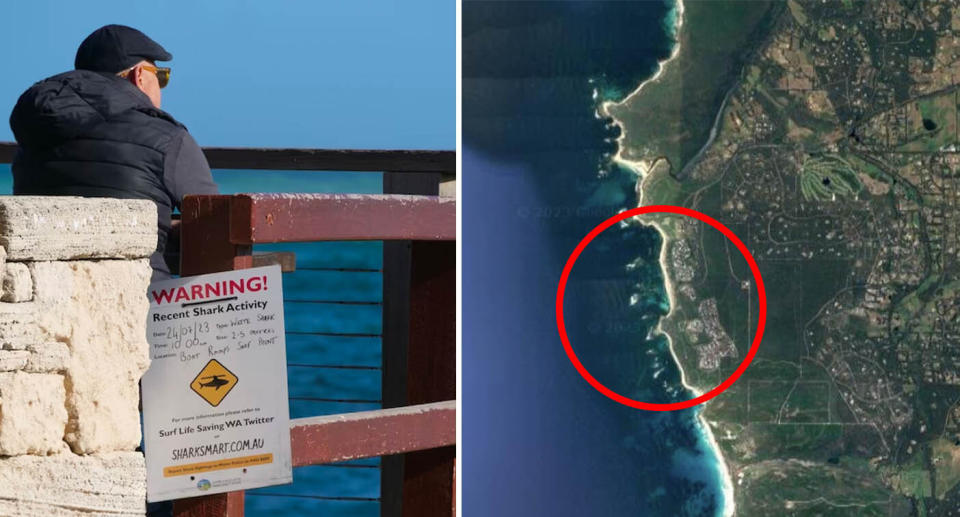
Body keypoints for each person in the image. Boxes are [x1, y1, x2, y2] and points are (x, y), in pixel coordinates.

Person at [8, 24, 218, 281]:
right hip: (139, 302)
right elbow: (214, 223)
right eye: (161, 76)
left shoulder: (37, 129)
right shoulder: (167, 137)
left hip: (47, 295)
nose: (162, 87)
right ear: (139, 75)